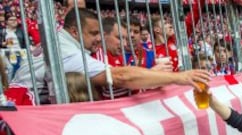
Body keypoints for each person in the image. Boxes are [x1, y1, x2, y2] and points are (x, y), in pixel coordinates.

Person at [10, 8, 210, 104]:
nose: (99, 39)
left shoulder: (58, 42)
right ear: (74, 31)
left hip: (22, 107)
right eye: (94, 34)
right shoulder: (69, 53)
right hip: (24, 111)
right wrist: (179, 77)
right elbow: (120, 77)